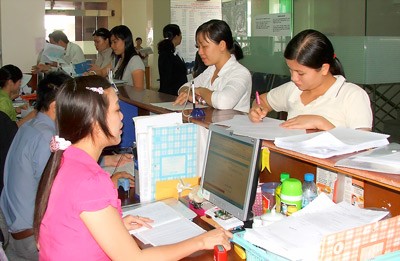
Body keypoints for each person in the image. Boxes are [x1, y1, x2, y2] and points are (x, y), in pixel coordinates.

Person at [33, 75, 232, 260]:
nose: (122, 117)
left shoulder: (66, 158)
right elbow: (133, 259)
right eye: (117, 110)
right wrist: (202, 240)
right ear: (94, 120)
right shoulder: (89, 180)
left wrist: (115, 226)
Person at [0, 71, 71, 261]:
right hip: (32, 240)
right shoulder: (46, 138)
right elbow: (58, 192)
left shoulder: (28, 127)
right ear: (57, 106)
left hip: (14, 233)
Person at [248, 29, 373, 131]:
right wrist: (257, 109)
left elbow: (364, 146)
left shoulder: (352, 96)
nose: (293, 78)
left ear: (324, 68)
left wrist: (320, 123)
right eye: (290, 70)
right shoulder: (293, 89)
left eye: (300, 73)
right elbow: (264, 100)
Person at [174, 19, 252, 113]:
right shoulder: (211, 70)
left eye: (204, 46)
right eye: (198, 47)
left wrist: (200, 91)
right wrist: (191, 93)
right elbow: (182, 88)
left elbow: (223, 102)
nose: (200, 52)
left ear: (222, 45)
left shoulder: (241, 73)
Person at [157, 24, 188, 96]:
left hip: (176, 92)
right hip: (171, 95)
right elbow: (167, 78)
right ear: (177, 36)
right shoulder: (166, 54)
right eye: (181, 34)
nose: (181, 37)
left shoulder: (173, 53)